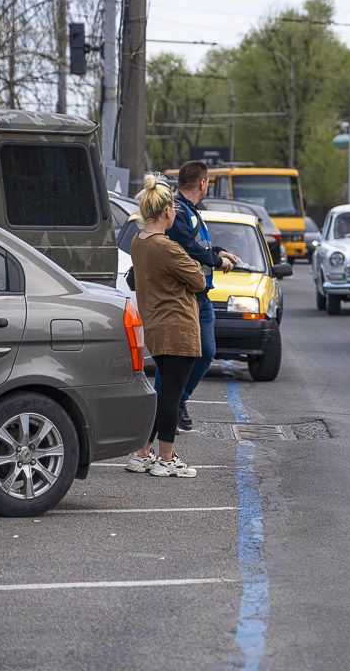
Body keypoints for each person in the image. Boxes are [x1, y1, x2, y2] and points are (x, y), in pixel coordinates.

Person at [124, 176, 206, 478]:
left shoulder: (138, 241)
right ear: (167, 211)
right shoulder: (167, 247)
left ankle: (143, 453)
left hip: (156, 325)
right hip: (178, 326)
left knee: (163, 392)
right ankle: (166, 458)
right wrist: (197, 266)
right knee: (171, 394)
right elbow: (198, 280)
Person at [157, 161, 239, 432]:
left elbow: (199, 245)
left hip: (202, 294)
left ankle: (177, 401)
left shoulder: (191, 211)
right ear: (203, 183)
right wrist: (216, 260)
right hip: (185, 294)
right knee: (174, 356)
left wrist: (219, 250)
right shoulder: (177, 210)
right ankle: (163, 409)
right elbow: (186, 246)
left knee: (206, 352)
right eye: (207, 183)